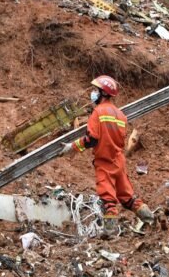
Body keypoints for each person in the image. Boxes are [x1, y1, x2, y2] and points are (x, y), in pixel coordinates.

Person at [61, 75, 154, 238]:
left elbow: (92, 139)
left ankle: (110, 231)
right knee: (128, 198)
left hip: (105, 161)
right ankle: (151, 219)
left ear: (103, 93)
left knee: (108, 199)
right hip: (118, 160)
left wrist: (73, 147)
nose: (93, 93)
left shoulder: (98, 112)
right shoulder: (121, 115)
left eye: (96, 90)